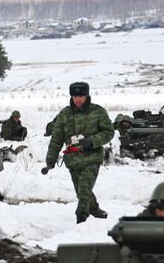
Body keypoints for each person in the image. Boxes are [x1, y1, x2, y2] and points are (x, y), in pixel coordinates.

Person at [43, 82, 114, 223]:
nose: (78, 99)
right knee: (81, 192)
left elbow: (109, 132)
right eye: (75, 96)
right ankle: (94, 209)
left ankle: (81, 217)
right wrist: (50, 162)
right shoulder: (64, 114)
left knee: (84, 189)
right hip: (73, 160)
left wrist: (92, 140)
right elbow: (56, 139)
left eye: (81, 96)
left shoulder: (98, 112)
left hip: (92, 158)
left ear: (87, 95)